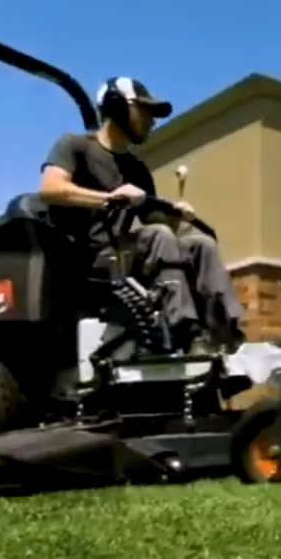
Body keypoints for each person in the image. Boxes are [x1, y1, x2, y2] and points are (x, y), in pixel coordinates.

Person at [36, 76, 246, 355]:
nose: (151, 120)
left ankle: (225, 333)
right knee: (158, 237)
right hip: (85, 259)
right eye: (144, 110)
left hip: (125, 256)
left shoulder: (137, 169)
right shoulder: (75, 145)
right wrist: (110, 199)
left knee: (200, 244)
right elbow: (50, 189)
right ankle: (185, 330)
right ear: (116, 106)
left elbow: (157, 226)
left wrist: (176, 215)